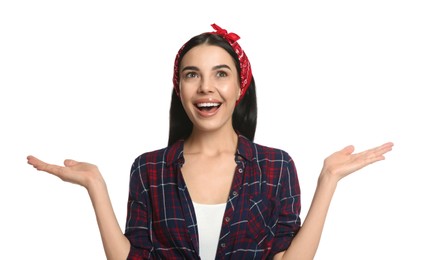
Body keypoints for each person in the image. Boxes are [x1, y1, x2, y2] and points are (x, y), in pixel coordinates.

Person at [27, 23, 394, 260]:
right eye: (192, 75)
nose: (206, 87)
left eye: (220, 74)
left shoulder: (276, 166)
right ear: (180, 88)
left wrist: (328, 180)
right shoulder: (149, 168)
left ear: (239, 87)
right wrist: (95, 186)